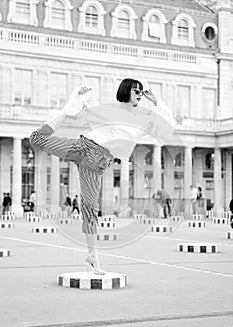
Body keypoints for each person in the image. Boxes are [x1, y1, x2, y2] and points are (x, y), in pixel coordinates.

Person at [30, 79, 163, 274]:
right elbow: (85, 111)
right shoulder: (110, 110)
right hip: (84, 149)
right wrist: (75, 102)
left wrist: (156, 101)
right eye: (137, 90)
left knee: (90, 210)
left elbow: (162, 126)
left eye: (142, 91)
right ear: (126, 91)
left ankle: (93, 257)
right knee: (36, 138)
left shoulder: (141, 117)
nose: (140, 93)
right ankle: (64, 110)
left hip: (97, 164)